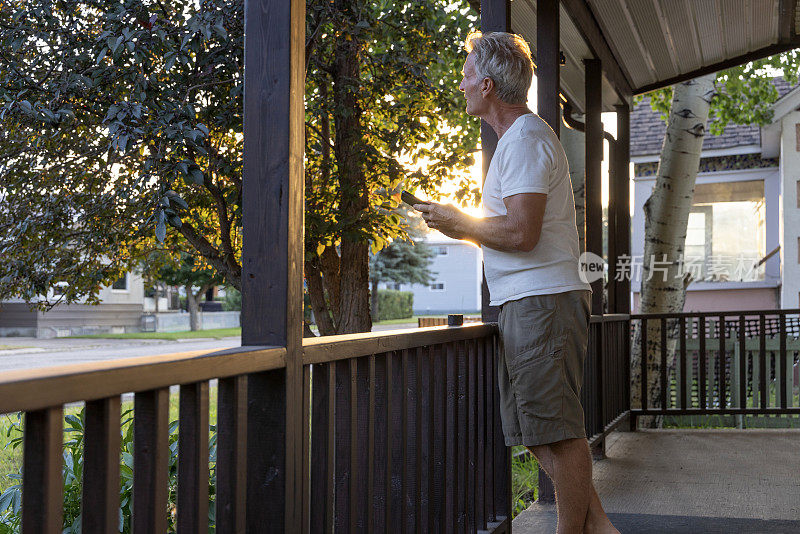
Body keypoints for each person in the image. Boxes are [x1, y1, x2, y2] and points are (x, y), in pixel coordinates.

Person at [415, 31, 618, 534]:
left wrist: (458, 222)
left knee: (557, 432)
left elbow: (522, 233)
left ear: (486, 85)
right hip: (531, 303)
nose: (459, 85)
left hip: (541, 302)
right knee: (539, 430)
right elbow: (514, 230)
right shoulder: (519, 140)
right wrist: (458, 222)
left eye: (465, 76)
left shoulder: (525, 139)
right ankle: (600, 529)